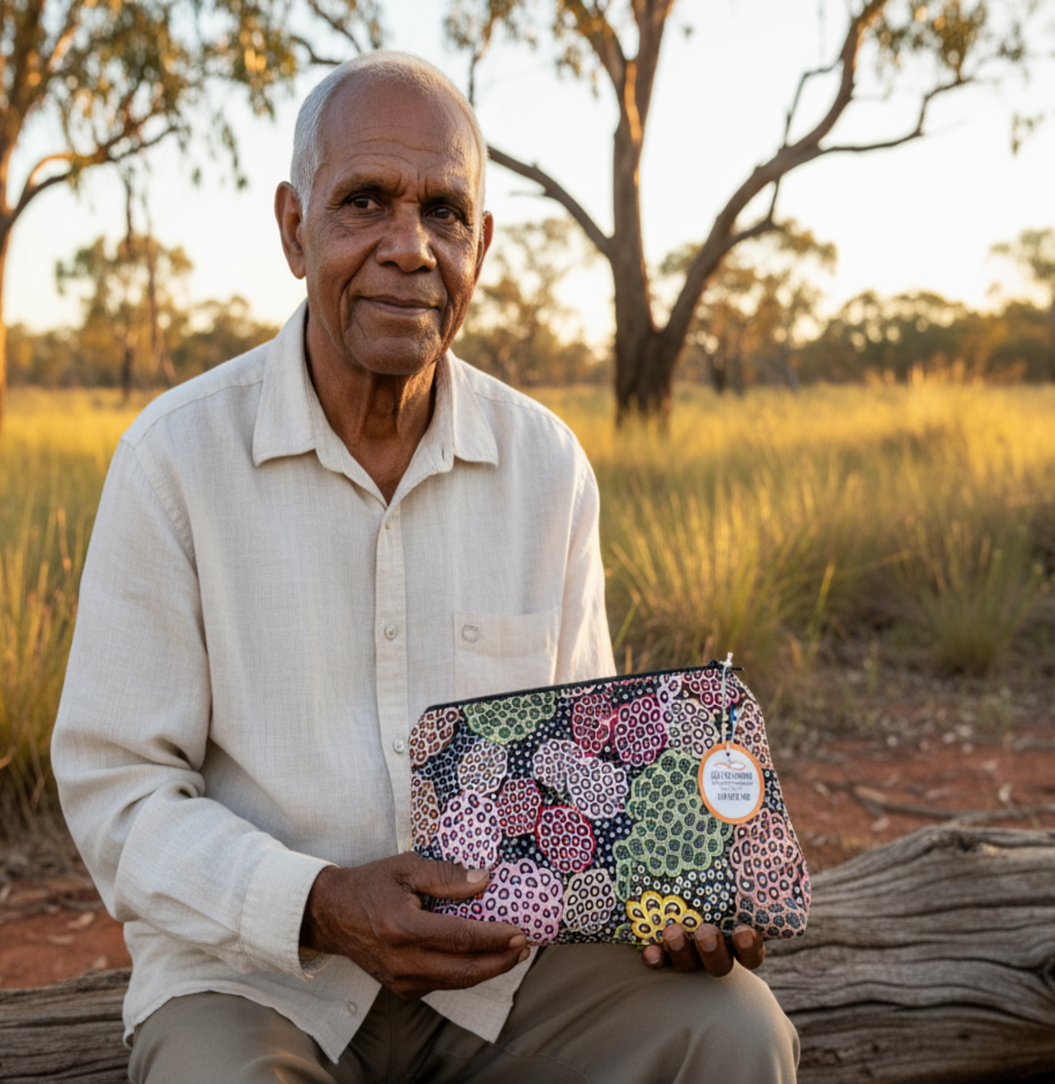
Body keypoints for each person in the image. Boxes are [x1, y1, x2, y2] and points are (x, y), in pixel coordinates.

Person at [52, 50, 799, 1084]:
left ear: (479, 248)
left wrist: (668, 894)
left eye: (444, 213)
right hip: (260, 980)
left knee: (733, 1031)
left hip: (505, 979)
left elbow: (583, 784)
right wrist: (319, 902)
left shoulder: (545, 466)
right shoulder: (173, 458)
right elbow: (117, 795)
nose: (408, 248)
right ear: (292, 227)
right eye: (364, 201)